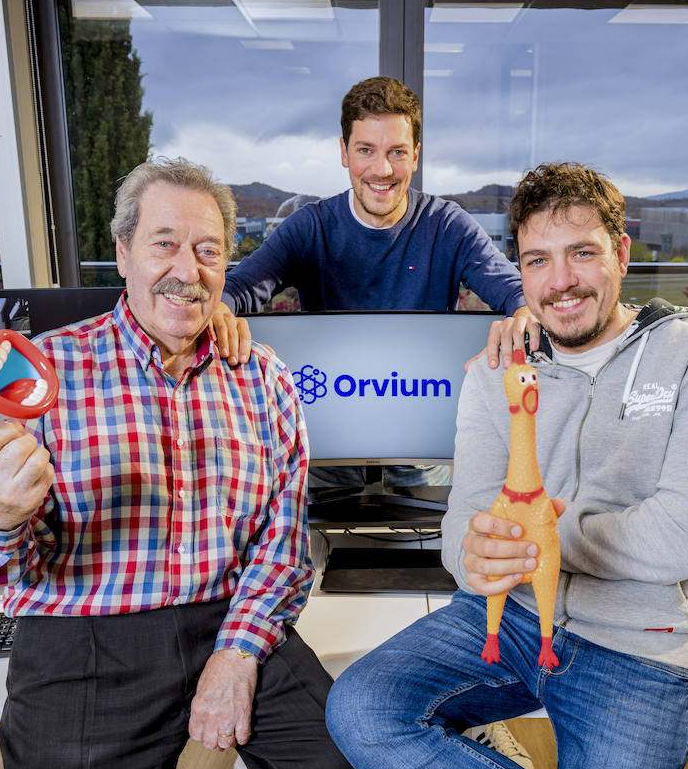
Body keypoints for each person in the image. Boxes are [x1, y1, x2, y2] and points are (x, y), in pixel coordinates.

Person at [0, 158, 381, 769]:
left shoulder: (263, 378)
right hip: (84, 637)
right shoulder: (45, 374)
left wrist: (238, 652)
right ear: (122, 253)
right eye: (164, 244)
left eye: (208, 250)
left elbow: (281, 544)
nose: (189, 269)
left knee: (343, 767)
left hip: (232, 615)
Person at [324, 161, 688, 769]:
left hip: (638, 647)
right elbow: (462, 530)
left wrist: (536, 538)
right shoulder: (495, 368)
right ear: (519, 271)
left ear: (622, 253)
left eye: (582, 252)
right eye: (537, 261)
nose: (562, 281)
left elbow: (683, 536)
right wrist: (478, 552)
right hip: (510, 619)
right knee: (359, 708)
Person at [207, 76, 541, 488]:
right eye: (366, 150)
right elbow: (237, 289)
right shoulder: (311, 227)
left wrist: (525, 312)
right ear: (344, 153)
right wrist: (218, 309)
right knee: (313, 545)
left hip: (419, 447)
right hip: (326, 446)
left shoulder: (447, 226)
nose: (382, 170)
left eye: (397, 152)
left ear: (416, 155)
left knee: (437, 540)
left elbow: (518, 292)